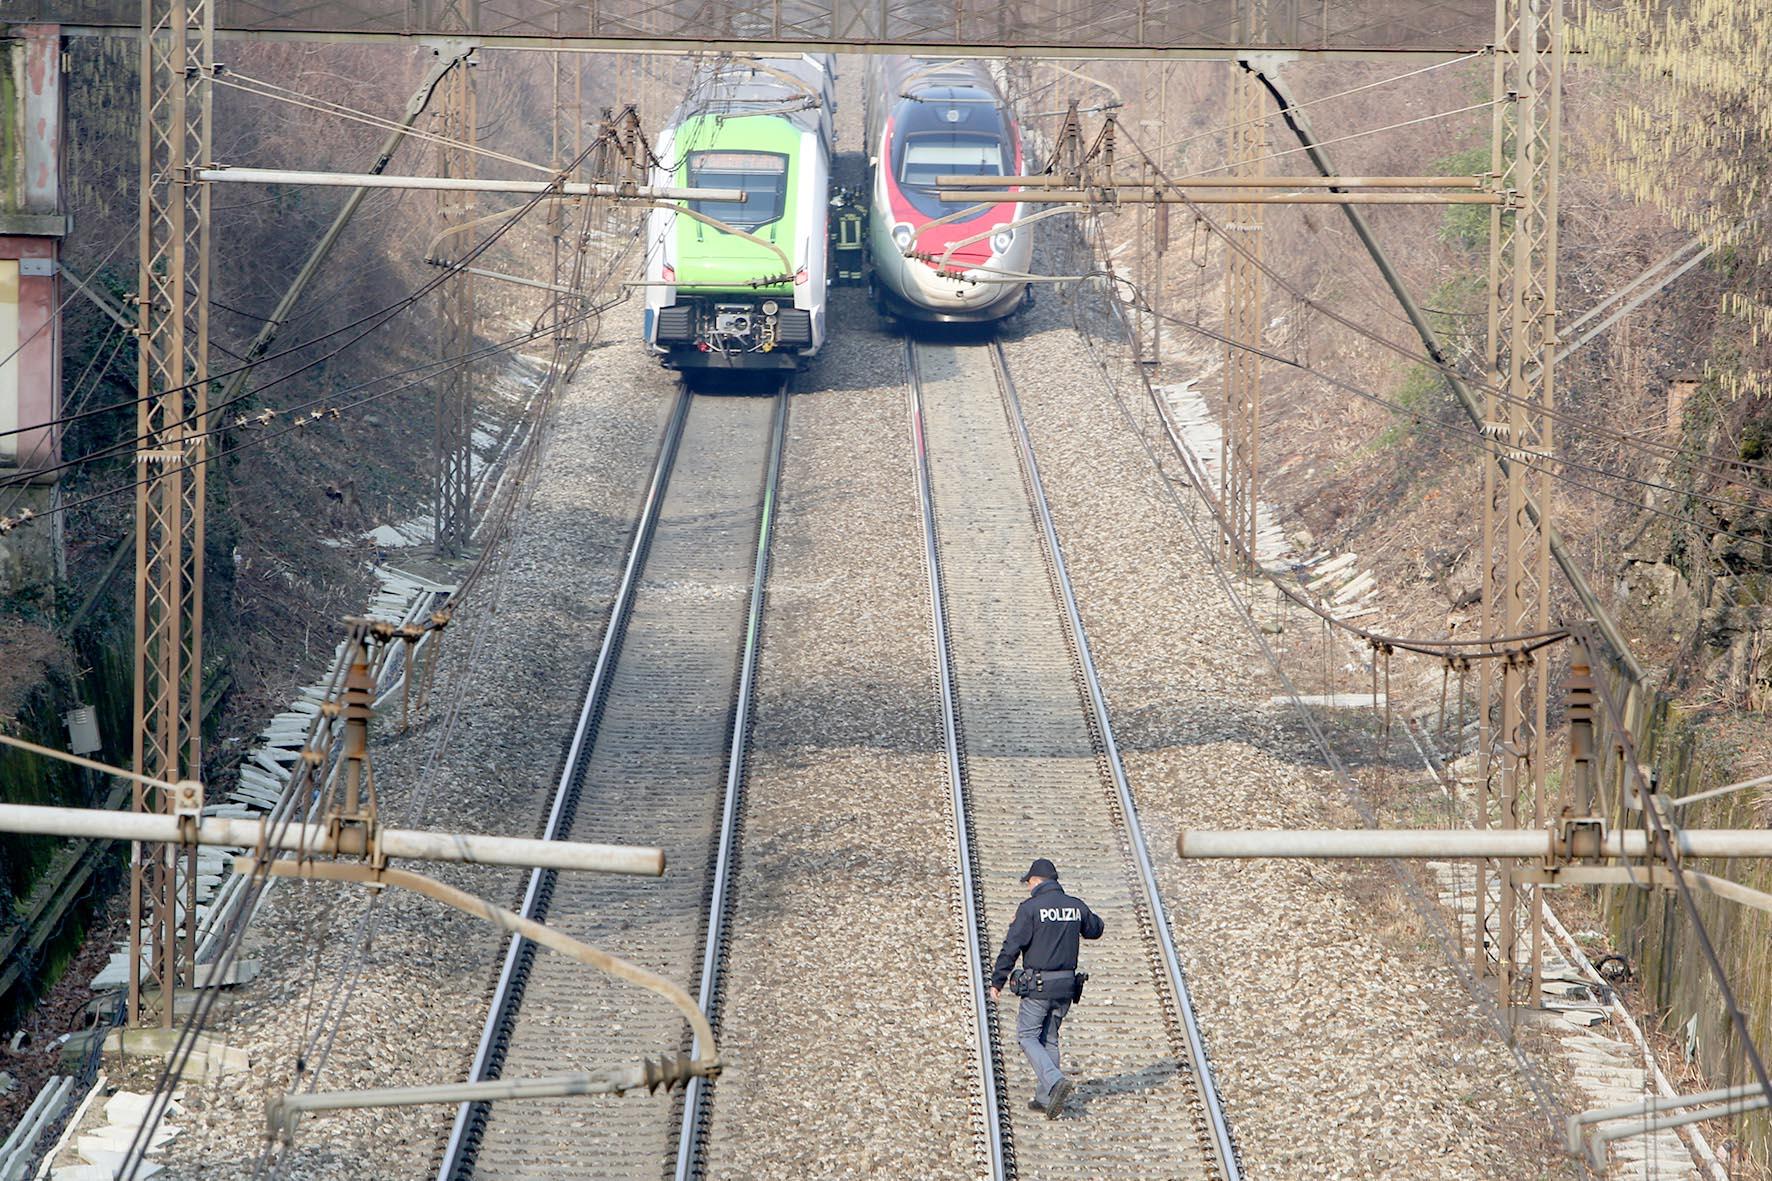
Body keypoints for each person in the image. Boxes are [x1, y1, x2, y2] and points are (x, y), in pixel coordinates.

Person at [989, 857, 1104, 1118]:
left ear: (1037, 881)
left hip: (1039, 986)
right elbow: (1096, 929)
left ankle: (1053, 1080)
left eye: (1029, 883)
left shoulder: (1029, 909)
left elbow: (1011, 947)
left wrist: (998, 982)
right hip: (1066, 986)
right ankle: (1046, 1098)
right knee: (1049, 1038)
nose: (1028, 888)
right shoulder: (1075, 905)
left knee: (1027, 1036)